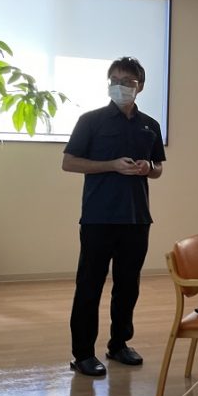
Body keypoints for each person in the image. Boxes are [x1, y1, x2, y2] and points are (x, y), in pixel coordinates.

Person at [62, 57, 165, 377]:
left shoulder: (150, 125)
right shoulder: (90, 121)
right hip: (99, 217)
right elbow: (69, 162)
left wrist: (149, 168)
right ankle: (82, 354)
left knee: (128, 286)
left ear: (140, 86)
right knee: (89, 285)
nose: (121, 86)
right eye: (115, 80)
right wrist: (111, 165)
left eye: (128, 82)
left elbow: (158, 168)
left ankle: (119, 344)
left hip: (137, 218)